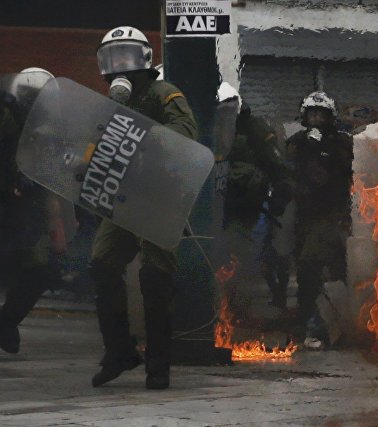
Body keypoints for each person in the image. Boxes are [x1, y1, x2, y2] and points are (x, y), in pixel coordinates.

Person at [89, 26, 197, 389]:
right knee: (102, 264)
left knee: (155, 279)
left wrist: (143, 134)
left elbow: (186, 131)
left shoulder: (162, 93)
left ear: (145, 59)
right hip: (123, 197)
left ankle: (159, 366)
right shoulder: (110, 103)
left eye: (126, 56)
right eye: (112, 57)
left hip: (159, 197)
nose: (119, 66)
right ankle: (119, 350)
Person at [0, 68, 68, 355]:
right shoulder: (5, 119)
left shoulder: (47, 128)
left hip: (25, 209)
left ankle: (6, 320)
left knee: (39, 269)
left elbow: (52, 174)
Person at [214, 82, 291, 322]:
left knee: (238, 259)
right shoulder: (205, 127)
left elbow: (279, 169)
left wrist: (279, 196)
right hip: (209, 207)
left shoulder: (254, 129)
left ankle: (237, 315)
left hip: (242, 208)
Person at [286, 90, 353, 349]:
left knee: (317, 265)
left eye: (320, 114)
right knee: (304, 272)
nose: (315, 118)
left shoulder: (340, 143)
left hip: (329, 215)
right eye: (311, 113)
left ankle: (322, 327)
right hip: (301, 215)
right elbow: (289, 168)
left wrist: (322, 149)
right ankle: (304, 325)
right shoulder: (297, 142)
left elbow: (342, 172)